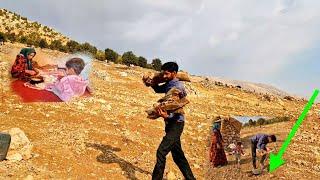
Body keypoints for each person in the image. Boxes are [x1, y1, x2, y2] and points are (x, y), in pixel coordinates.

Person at [143, 62, 195, 180]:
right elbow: (158, 89)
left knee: (161, 152)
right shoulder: (170, 83)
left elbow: (177, 110)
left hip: (176, 124)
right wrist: (150, 83)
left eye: (166, 74)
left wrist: (167, 116)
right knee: (178, 156)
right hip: (171, 124)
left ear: (174, 73)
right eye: (163, 74)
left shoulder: (177, 88)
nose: (164, 76)